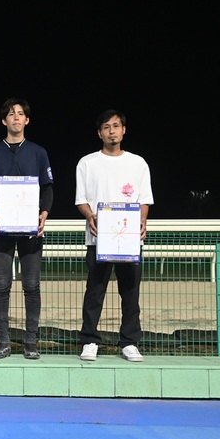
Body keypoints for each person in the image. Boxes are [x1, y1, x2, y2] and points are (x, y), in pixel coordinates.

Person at [0, 98, 54, 360]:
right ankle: (3, 342)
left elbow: (47, 188)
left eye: (21, 114)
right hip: (2, 229)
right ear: (4, 120)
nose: (16, 118)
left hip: (31, 230)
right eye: (11, 114)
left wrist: (44, 214)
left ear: (27, 120)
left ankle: (31, 342)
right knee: (2, 285)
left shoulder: (38, 152)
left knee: (31, 285)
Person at [75, 109, 154, 362]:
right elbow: (81, 200)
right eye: (107, 127)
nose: (112, 131)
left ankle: (129, 342)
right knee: (94, 292)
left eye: (116, 126)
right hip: (98, 239)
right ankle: (89, 341)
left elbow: (144, 199)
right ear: (100, 133)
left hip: (128, 239)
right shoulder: (87, 163)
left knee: (130, 293)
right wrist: (90, 215)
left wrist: (142, 221)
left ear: (123, 130)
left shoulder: (138, 163)